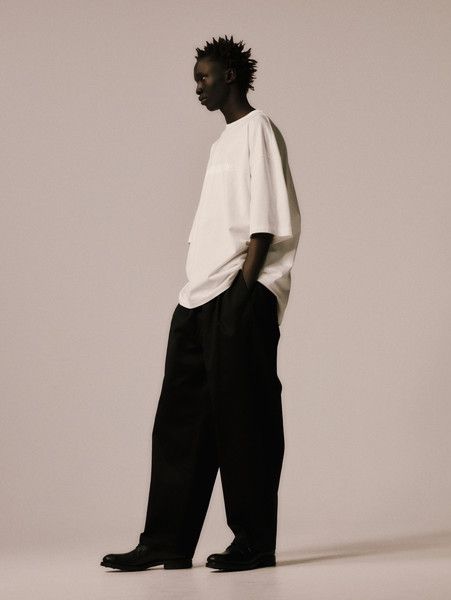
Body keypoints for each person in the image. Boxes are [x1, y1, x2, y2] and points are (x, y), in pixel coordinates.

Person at [101, 34, 301, 573]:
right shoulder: (221, 145)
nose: (197, 88)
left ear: (229, 76)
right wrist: (202, 289)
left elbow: (264, 221)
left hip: (238, 295)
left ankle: (254, 543)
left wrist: (243, 293)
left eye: (203, 77)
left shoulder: (258, 130)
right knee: (179, 423)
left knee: (245, 420)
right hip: (198, 296)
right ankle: (166, 541)